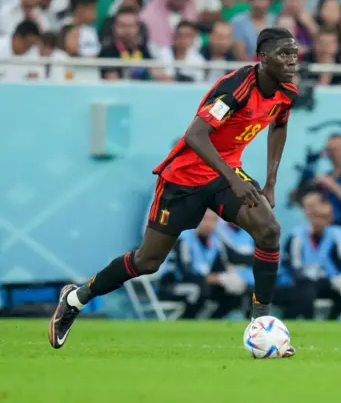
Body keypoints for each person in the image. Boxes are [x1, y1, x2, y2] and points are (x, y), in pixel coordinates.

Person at [48, 27, 299, 357]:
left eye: (294, 54)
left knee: (269, 230)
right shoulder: (235, 89)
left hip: (224, 175)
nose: (292, 60)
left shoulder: (286, 91)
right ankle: (75, 299)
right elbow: (196, 135)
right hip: (183, 179)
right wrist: (235, 179)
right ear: (263, 58)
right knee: (147, 261)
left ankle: (260, 323)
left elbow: (279, 124)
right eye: (284, 54)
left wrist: (269, 182)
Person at [280, 190, 341, 320]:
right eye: (316, 215)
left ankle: (338, 321)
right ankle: (309, 324)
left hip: (327, 281)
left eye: (325, 216)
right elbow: (295, 268)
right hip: (300, 282)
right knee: (306, 289)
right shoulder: (297, 236)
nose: (320, 220)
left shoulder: (337, 235)